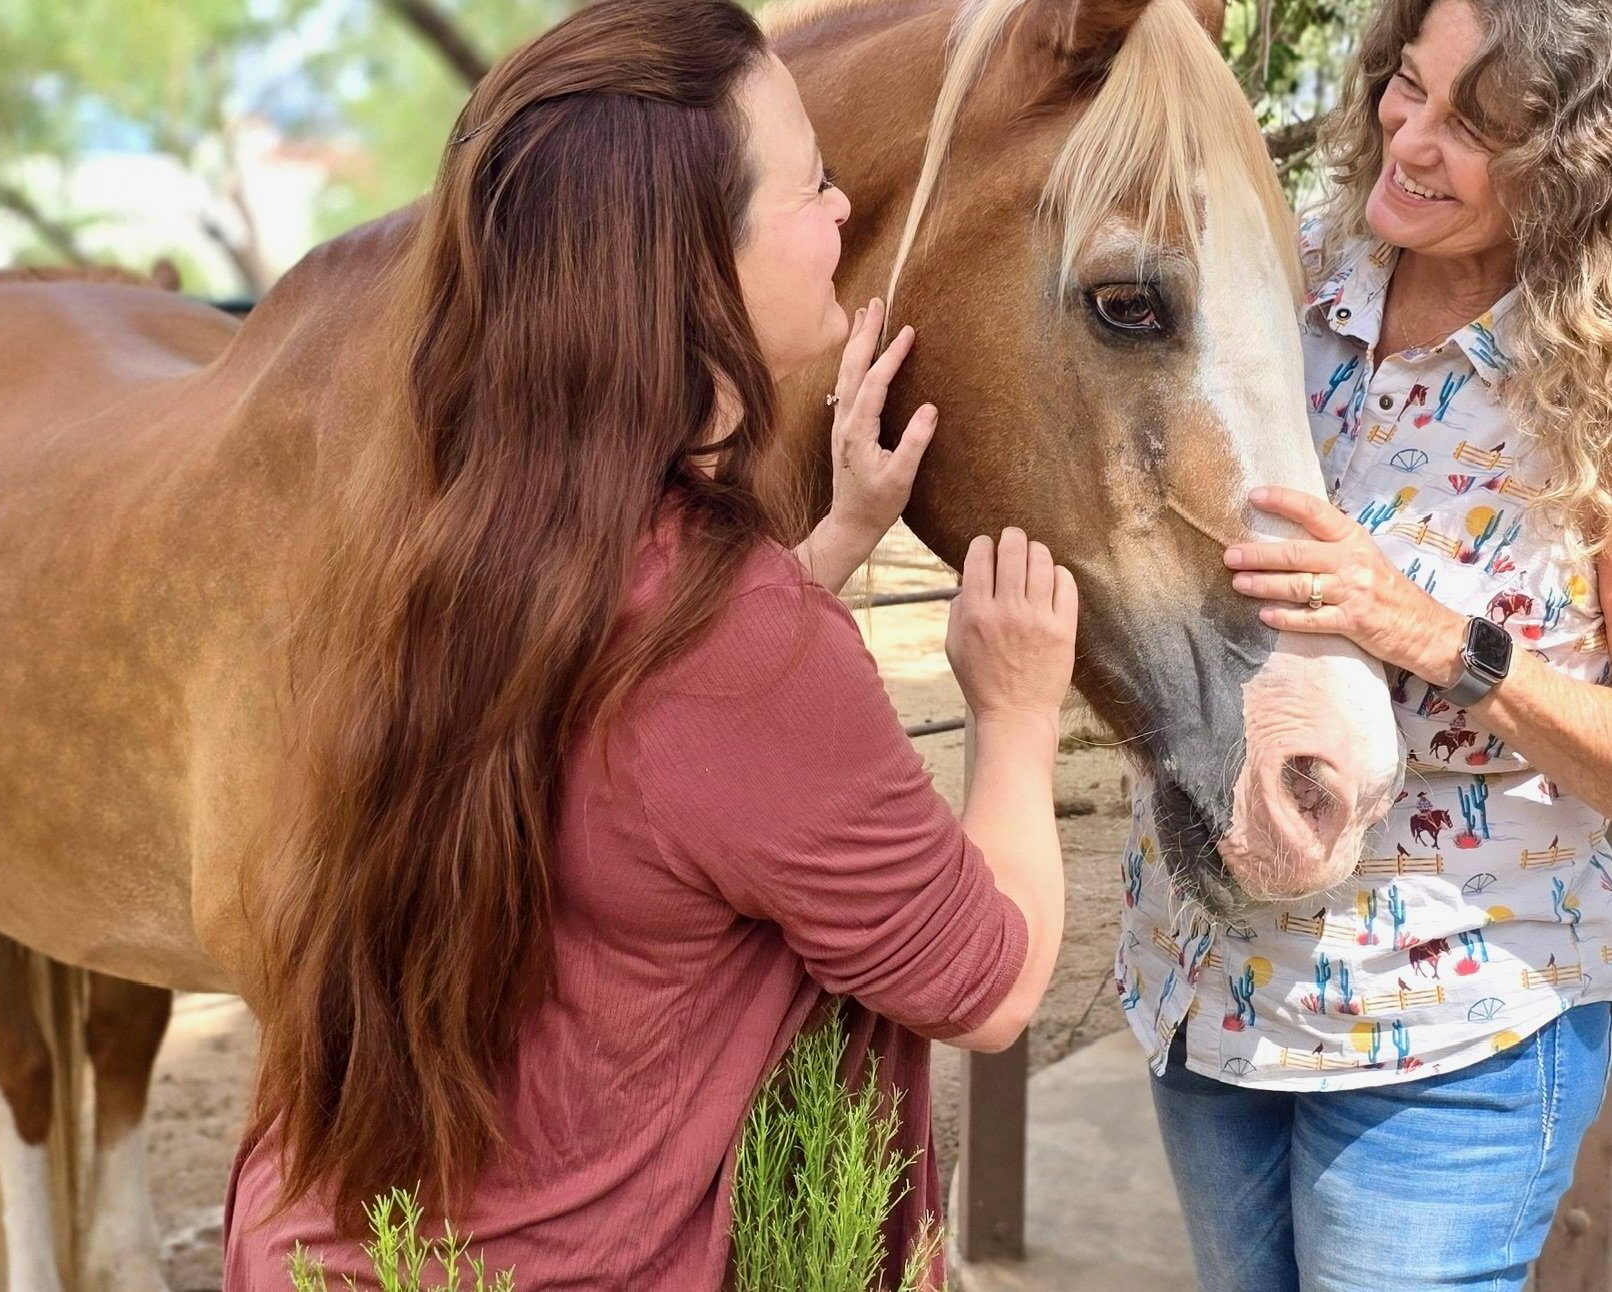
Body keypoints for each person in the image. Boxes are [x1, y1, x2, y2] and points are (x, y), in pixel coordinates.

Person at [220, 1, 1079, 1287]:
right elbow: (989, 982)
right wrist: (1012, 712)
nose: (845, 211)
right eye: (810, 184)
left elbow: (632, 733)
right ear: (690, 269)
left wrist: (836, 535)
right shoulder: (744, 652)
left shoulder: (435, 532)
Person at [1117, 0, 1612, 1286]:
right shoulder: (1278, 271)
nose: (1411, 139)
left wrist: (1440, 636)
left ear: (1573, 168)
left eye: (1474, 129)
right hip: (1209, 981)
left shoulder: (1595, 397)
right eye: (1408, 87)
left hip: (1450, 1024)